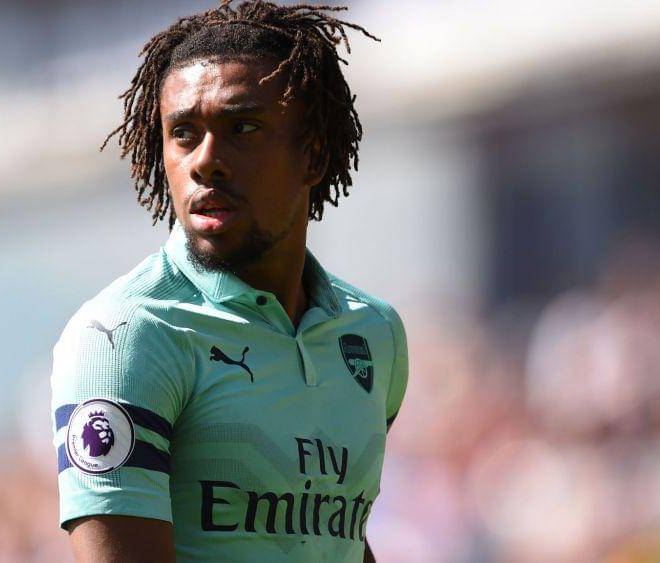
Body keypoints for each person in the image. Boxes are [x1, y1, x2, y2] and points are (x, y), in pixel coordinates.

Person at [50, 2, 408, 561]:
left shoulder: (374, 333)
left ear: (312, 155)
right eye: (184, 133)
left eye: (243, 128)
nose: (206, 161)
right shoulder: (125, 336)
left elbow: (334, 539)